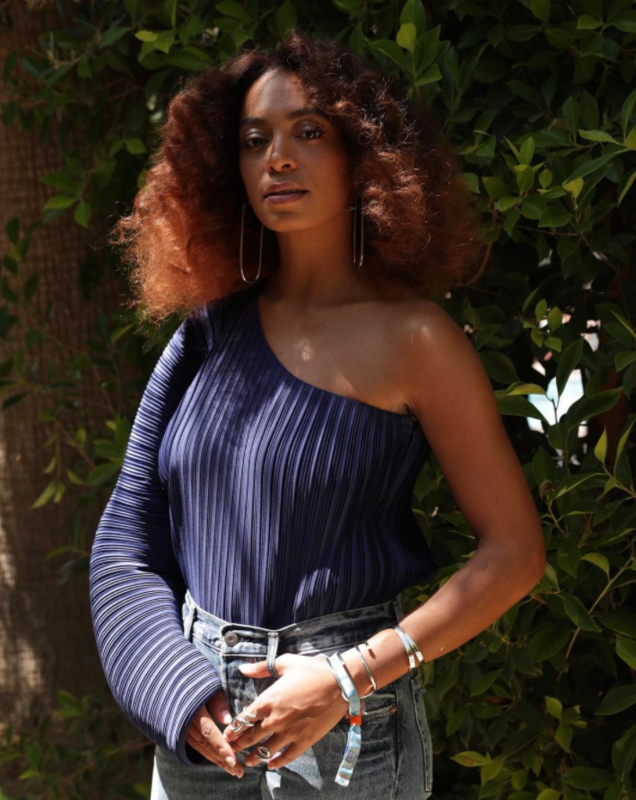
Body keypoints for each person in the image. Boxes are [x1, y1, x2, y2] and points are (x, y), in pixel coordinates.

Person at [89, 29, 546, 800]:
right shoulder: (207, 333)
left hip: (346, 726)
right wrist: (177, 691)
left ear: (363, 154)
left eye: (308, 132)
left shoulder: (417, 339)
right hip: (199, 727)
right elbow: (126, 544)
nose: (277, 158)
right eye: (254, 140)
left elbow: (516, 553)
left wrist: (346, 676)